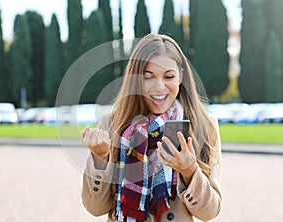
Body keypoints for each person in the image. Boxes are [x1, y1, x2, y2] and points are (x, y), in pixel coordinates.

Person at [81, 34, 222, 222]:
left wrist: (189, 171)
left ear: (180, 75)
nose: (159, 87)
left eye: (169, 76)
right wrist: (100, 158)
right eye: (148, 77)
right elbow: (95, 208)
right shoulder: (112, 123)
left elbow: (209, 212)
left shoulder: (204, 125)